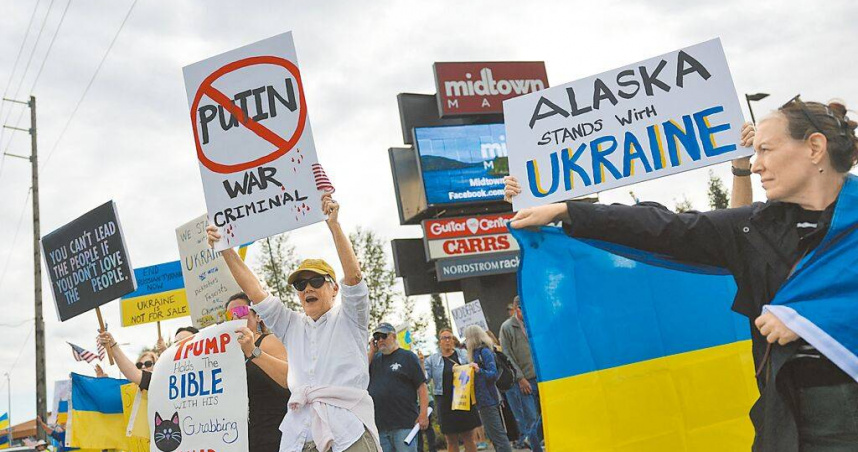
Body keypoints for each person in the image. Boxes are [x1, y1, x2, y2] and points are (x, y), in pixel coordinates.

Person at [505, 101, 858, 451]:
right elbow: (667, 229)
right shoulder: (754, 228)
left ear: (814, 148)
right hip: (786, 423)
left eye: (765, 149)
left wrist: (810, 317)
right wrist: (567, 211)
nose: (756, 165)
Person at [207, 192, 381, 452]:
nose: (307, 288)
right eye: (301, 284)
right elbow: (255, 290)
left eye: (316, 281)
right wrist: (225, 250)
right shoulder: (292, 324)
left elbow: (354, 277)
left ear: (334, 289)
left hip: (349, 432)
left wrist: (334, 225)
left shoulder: (350, 318)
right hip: (301, 433)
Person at [227, 292, 291, 452]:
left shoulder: (269, 341)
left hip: (274, 434)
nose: (236, 317)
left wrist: (253, 351)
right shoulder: (228, 354)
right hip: (244, 439)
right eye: (230, 315)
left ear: (258, 317)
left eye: (241, 311)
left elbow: (288, 377)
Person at [367, 322, 429, 452]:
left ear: (394, 337)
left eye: (384, 336)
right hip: (380, 425)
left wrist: (423, 414)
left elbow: (422, 387)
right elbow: (360, 374)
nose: (380, 340)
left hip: (404, 423)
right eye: (377, 337)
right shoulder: (374, 359)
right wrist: (372, 351)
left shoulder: (408, 357)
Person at [423, 328, 481, 452]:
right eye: (444, 338)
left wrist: (468, 367)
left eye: (450, 337)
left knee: (468, 438)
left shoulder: (463, 354)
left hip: (463, 400)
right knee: (451, 440)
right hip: (445, 402)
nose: (448, 340)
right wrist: (422, 364)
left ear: (453, 340)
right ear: (440, 342)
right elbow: (425, 380)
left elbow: (472, 371)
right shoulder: (432, 360)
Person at [499, 297, 542, 452]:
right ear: (517, 308)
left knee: (546, 416)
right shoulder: (507, 327)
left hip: (542, 378)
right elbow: (507, 355)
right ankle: (536, 447)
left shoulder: (534, 322)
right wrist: (520, 378)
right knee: (531, 418)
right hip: (525, 380)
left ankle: (531, 438)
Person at [462, 325, 513, 452]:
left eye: (467, 337)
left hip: (488, 399)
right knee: (494, 436)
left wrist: (478, 370)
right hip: (483, 400)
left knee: (498, 436)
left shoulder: (484, 352)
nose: (465, 341)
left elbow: (493, 374)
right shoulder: (477, 353)